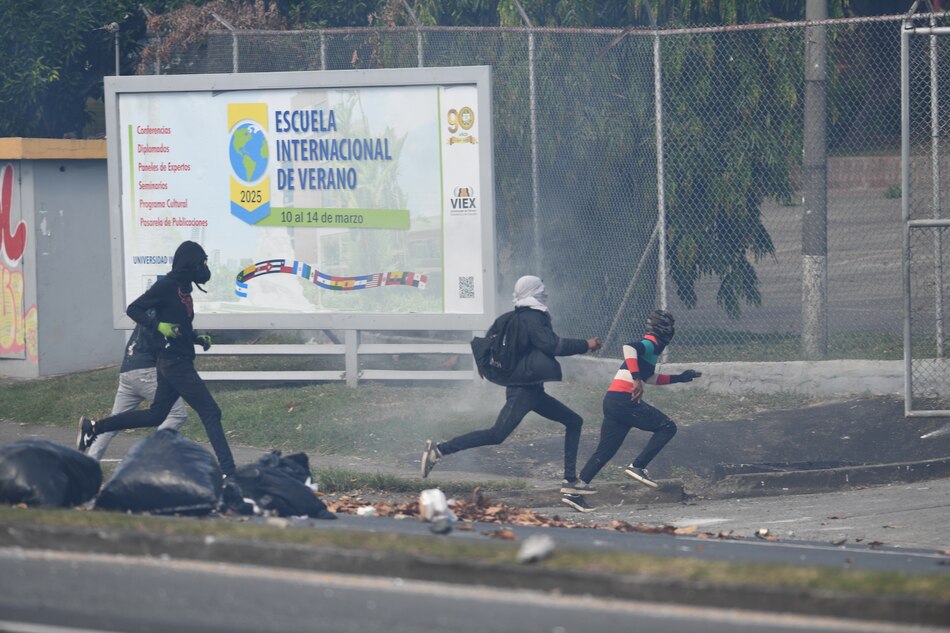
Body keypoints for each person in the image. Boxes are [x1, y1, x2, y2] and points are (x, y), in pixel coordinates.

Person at [421, 275, 601, 493]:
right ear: (534, 292)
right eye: (541, 288)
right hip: (524, 391)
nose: (545, 292)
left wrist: (484, 365)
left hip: (532, 389)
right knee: (496, 435)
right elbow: (552, 345)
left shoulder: (509, 318)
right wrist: (586, 344)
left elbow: (487, 341)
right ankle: (439, 450)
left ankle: (570, 481)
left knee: (574, 421)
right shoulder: (533, 318)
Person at [77, 240, 236, 477]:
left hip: (173, 360)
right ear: (190, 264)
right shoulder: (167, 286)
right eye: (202, 262)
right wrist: (157, 325)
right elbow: (134, 309)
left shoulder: (184, 290)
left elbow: (179, 326)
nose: (204, 267)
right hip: (174, 362)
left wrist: (196, 338)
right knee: (211, 412)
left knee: (157, 415)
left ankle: (94, 428)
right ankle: (229, 473)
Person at [561, 309, 701, 513]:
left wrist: (679, 377)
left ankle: (574, 493)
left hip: (613, 401)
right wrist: (636, 379)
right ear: (666, 331)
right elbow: (628, 347)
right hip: (624, 401)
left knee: (605, 451)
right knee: (667, 427)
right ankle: (638, 466)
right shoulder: (651, 343)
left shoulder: (651, 349)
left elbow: (650, 378)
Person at [85, 313, 189, 461]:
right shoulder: (165, 313)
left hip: (127, 371)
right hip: (146, 371)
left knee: (113, 423)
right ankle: (149, 457)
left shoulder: (148, 315)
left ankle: (89, 463)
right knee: (177, 414)